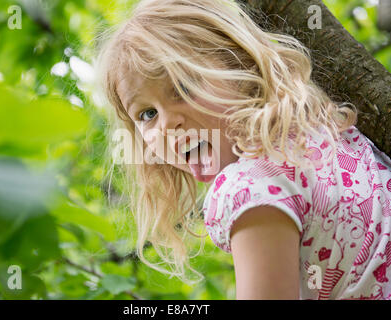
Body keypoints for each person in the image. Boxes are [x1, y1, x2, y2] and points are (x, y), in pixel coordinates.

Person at [95, 0, 391, 299]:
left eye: (184, 87)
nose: (167, 125)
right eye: (147, 114)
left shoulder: (246, 186)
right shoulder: (325, 129)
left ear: (240, 64)